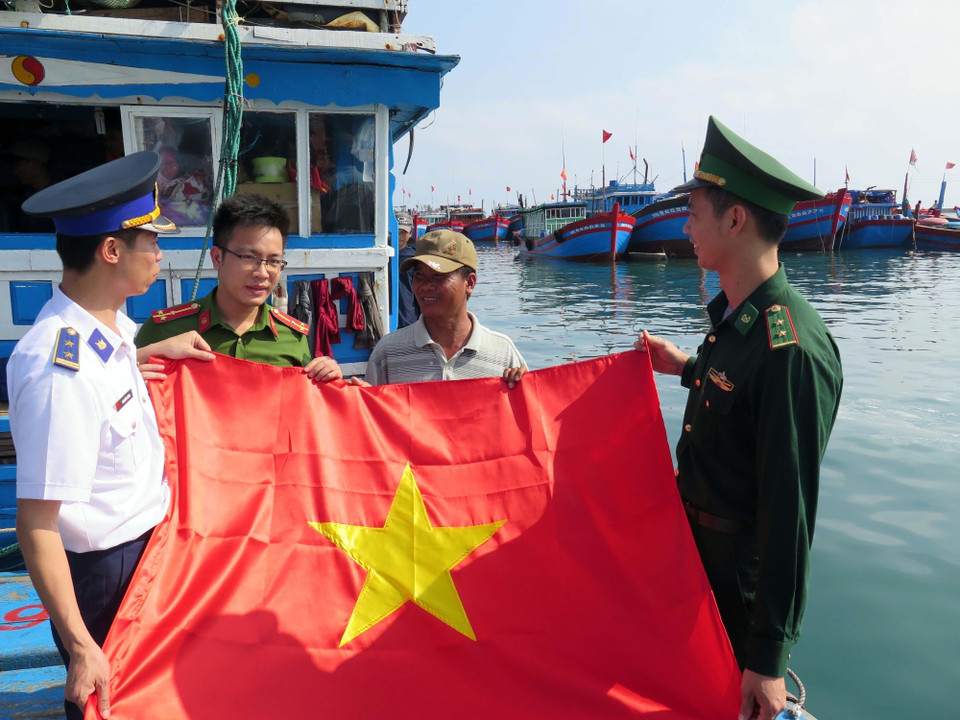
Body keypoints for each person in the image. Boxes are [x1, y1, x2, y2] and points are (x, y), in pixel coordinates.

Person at [635, 116, 843, 720]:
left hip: (739, 588)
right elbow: (730, 391)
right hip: (698, 562)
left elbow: (789, 509)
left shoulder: (791, 349)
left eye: (694, 213)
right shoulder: (736, 321)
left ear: (734, 219)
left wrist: (768, 658)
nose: (684, 226)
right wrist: (683, 369)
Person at [7, 151, 217, 719]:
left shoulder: (110, 325)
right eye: (151, 241)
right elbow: (37, 524)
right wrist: (79, 646)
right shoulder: (58, 369)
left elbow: (117, 362)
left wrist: (155, 349)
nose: (159, 253)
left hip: (147, 551)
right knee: (111, 704)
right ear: (111, 251)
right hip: (104, 578)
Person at [135, 193, 341, 381]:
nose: (262, 273)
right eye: (249, 257)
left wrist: (329, 383)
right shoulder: (163, 332)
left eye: (273, 261)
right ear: (217, 258)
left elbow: (303, 412)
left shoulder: (293, 337)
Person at [361, 229, 526, 386]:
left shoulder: (503, 354)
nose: (425, 286)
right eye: (419, 275)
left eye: (439, 276)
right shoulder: (388, 354)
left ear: (469, 283)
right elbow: (371, 413)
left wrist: (521, 383)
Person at [395, 212, 420, 328]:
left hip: (409, 320)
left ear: (410, 233)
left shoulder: (415, 259)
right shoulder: (380, 257)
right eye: (397, 230)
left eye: (403, 232)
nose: (400, 235)